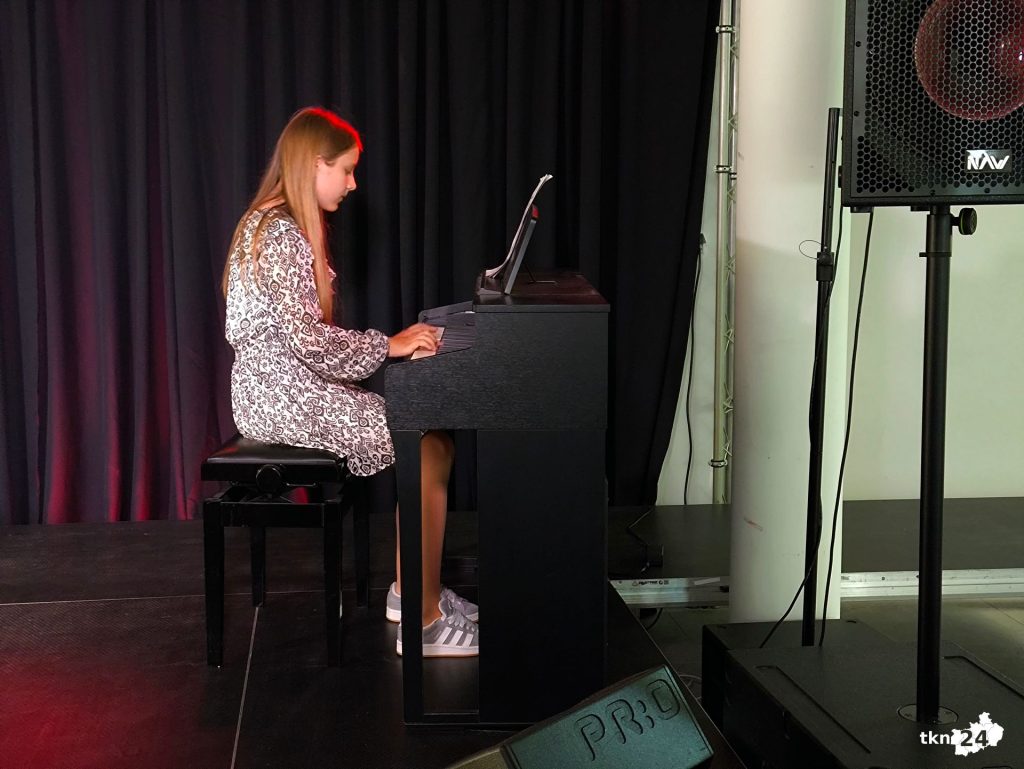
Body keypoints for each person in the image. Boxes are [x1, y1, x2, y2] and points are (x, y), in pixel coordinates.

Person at [221, 107, 479, 657]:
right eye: (346, 169)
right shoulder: (283, 233)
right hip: (281, 397)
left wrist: (386, 348)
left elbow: (302, 343)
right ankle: (424, 620)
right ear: (315, 164)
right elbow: (310, 342)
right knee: (427, 443)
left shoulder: (264, 222)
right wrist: (391, 345)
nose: (353, 183)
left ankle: (412, 594)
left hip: (277, 390)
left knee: (430, 437)